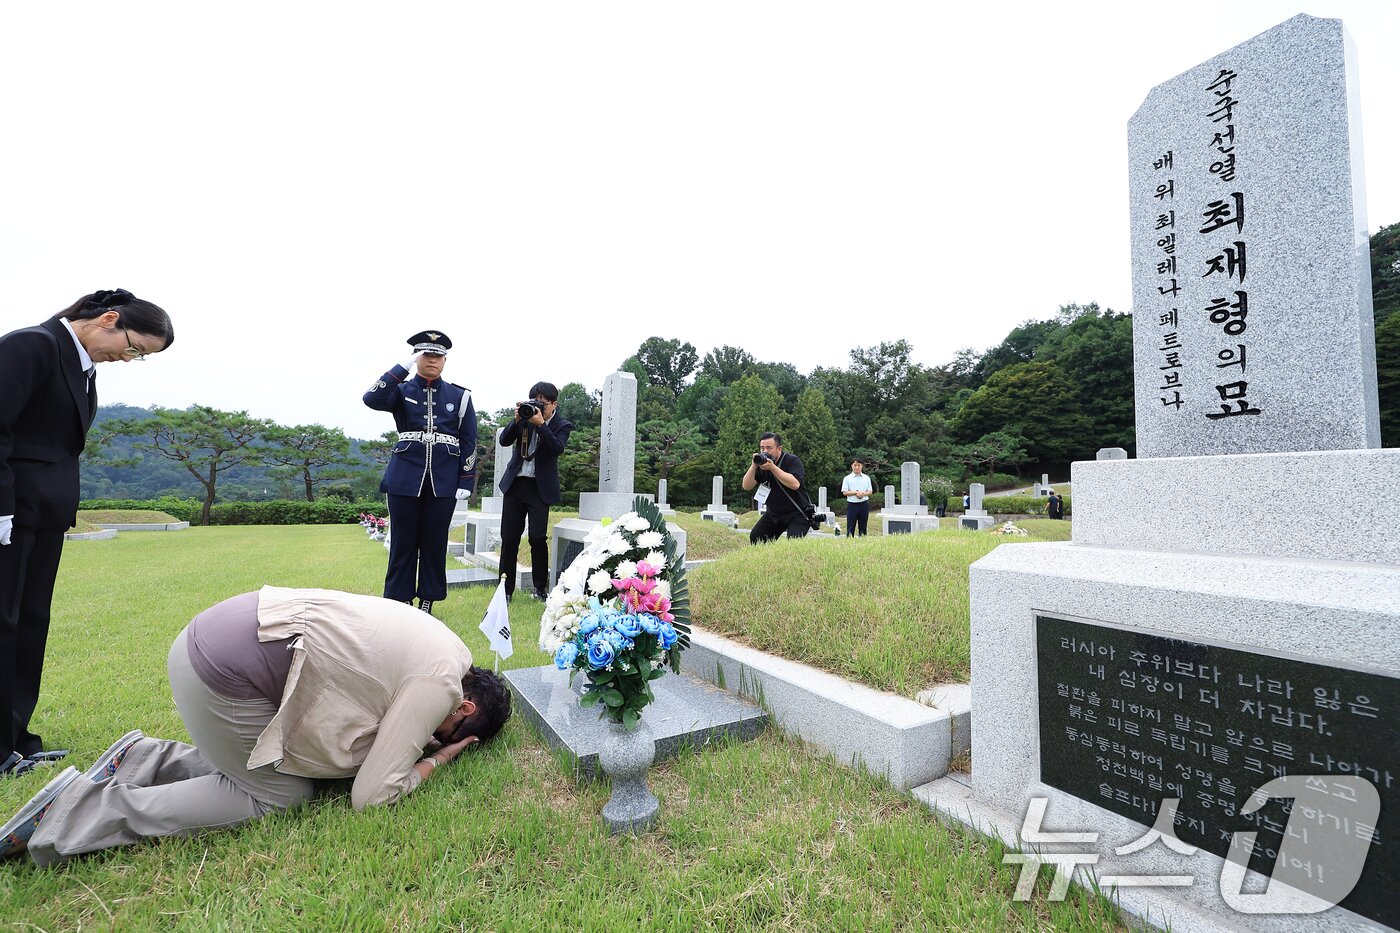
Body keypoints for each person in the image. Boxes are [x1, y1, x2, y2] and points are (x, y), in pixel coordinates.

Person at [2, 586, 512, 866]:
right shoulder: (441, 683)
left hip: (216, 636)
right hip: (226, 673)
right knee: (280, 794)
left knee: (271, 768)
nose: (428, 735)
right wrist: (435, 759)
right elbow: (371, 796)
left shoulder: (447, 643)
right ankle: (74, 813)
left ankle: (144, 761)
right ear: (464, 708)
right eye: (442, 732)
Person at [1, 289, 174, 780]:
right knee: (2, 624)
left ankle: (14, 738)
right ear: (109, 319)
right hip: (11, 512)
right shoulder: (32, 345)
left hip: (44, 515)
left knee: (29, 624)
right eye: (135, 347)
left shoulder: (82, 366)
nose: (129, 357)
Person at [363, 331, 477, 617]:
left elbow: (469, 440)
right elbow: (371, 398)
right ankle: (399, 600)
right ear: (417, 358)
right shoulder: (400, 391)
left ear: (445, 361)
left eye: (438, 356)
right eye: (426, 355)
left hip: (444, 480)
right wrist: (400, 368)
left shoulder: (459, 396)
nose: (432, 360)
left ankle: (428, 599)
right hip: (404, 478)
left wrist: (465, 479)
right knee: (403, 541)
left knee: (434, 541)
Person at [497, 382, 573, 601]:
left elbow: (556, 448)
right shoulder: (525, 416)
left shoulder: (561, 424)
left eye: (544, 402)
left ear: (554, 404)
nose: (539, 406)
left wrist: (541, 425)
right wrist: (516, 420)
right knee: (509, 538)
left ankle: (540, 588)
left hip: (539, 488)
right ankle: (505, 589)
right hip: (515, 485)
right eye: (536, 400)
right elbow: (504, 441)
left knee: (537, 537)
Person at [742, 432, 813, 544]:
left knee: (794, 544)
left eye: (769, 448)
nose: (765, 451)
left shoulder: (792, 460)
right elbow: (747, 486)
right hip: (774, 513)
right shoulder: (761, 464)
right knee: (757, 538)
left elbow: (795, 484)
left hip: (797, 512)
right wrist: (753, 466)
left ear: (779, 449)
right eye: (762, 448)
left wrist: (772, 467)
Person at [840, 458, 873, 537]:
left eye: (859, 465)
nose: (857, 467)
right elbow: (845, 492)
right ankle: (849, 542)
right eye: (855, 465)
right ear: (852, 466)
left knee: (863, 526)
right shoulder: (847, 478)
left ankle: (863, 542)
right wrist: (856, 492)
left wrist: (863, 494)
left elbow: (870, 491)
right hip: (852, 505)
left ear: (862, 466)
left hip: (864, 505)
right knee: (851, 526)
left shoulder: (866, 478)